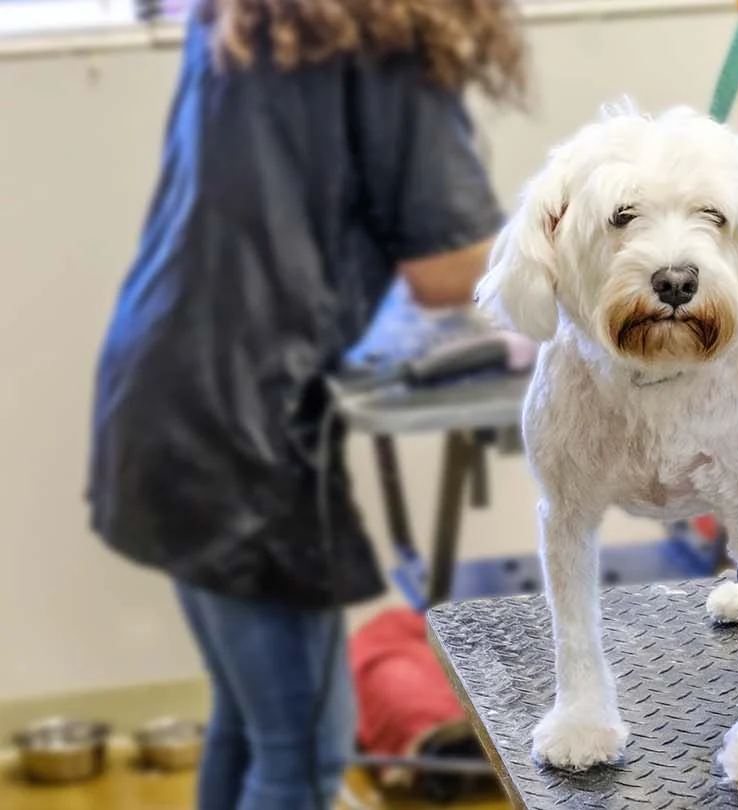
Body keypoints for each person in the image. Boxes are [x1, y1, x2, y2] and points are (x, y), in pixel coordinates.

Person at [85, 0, 527, 806]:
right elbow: (447, 266)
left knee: (251, 726)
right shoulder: (391, 40)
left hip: (156, 388)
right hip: (240, 426)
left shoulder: (247, 19)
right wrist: (592, 234)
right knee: (304, 753)